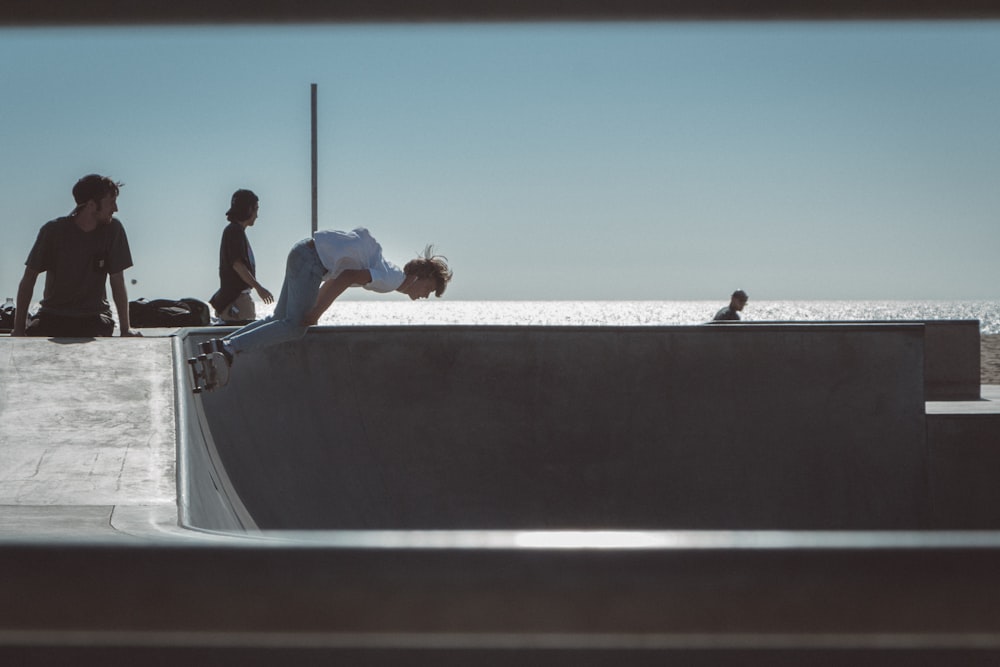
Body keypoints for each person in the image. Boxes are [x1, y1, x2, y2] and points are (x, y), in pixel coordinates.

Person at [199, 227, 452, 366]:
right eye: (428, 290)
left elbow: (337, 277)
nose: (424, 297)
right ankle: (229, 348)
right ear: (418, 278)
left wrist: (315, 307)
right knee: (295, 327)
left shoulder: (389, 270)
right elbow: (346, 277)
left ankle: (221, 345)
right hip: (311, 260)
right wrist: (316, 312)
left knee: (280, 318)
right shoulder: (391, 280)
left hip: (304, 251)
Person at [12, 174, 141, 337]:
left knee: (92, 334)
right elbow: (29, 278)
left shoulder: (113, 230)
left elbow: (117, 280)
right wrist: (18, 329)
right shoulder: (53, 231)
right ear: (92, 205)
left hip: (94, 317)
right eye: (111, 202)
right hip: (53, 315)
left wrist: (125, 330)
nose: (116, 209)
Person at [209, 189, 274, 323]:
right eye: (256, 209)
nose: (257, 215)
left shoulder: (236, 232)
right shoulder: (234, 232)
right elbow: (238, 265)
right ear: (248, 209)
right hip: (236, 301)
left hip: (237, 299)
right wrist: (259, 288)